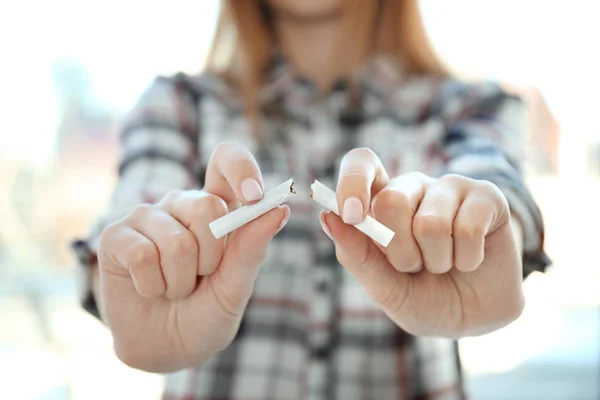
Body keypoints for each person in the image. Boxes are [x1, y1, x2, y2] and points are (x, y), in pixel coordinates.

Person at [72, 0, 551, 398]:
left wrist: (488, 233)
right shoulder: (177, 106)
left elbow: (495, 186)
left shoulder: (469, 108)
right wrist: (135, 282)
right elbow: (130, 225)